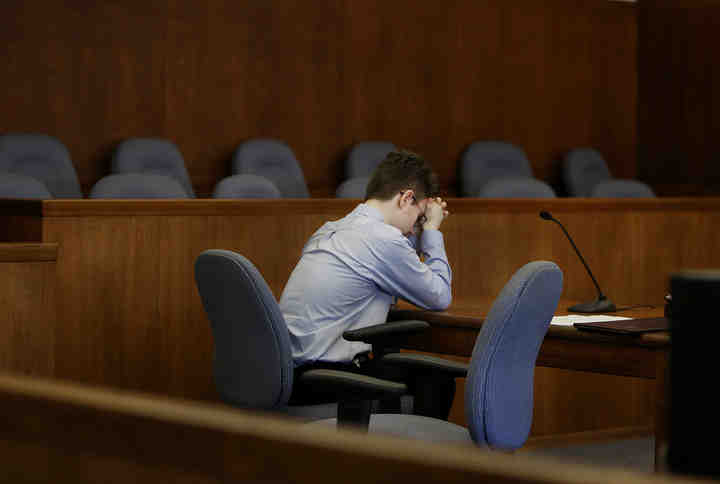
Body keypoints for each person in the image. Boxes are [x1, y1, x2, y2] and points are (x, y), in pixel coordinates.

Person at [279, 150, 454, 417]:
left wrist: (419, 228)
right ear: (406, 198)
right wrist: (431, 231)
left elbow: (390, 260)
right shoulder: (384, 240)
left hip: (290, 374)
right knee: (437, 382)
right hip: (327, 378)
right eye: (419, 217)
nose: (413, 230)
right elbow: (439, 296)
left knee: (396, 363)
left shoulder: (330, 228)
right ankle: (409, 459)